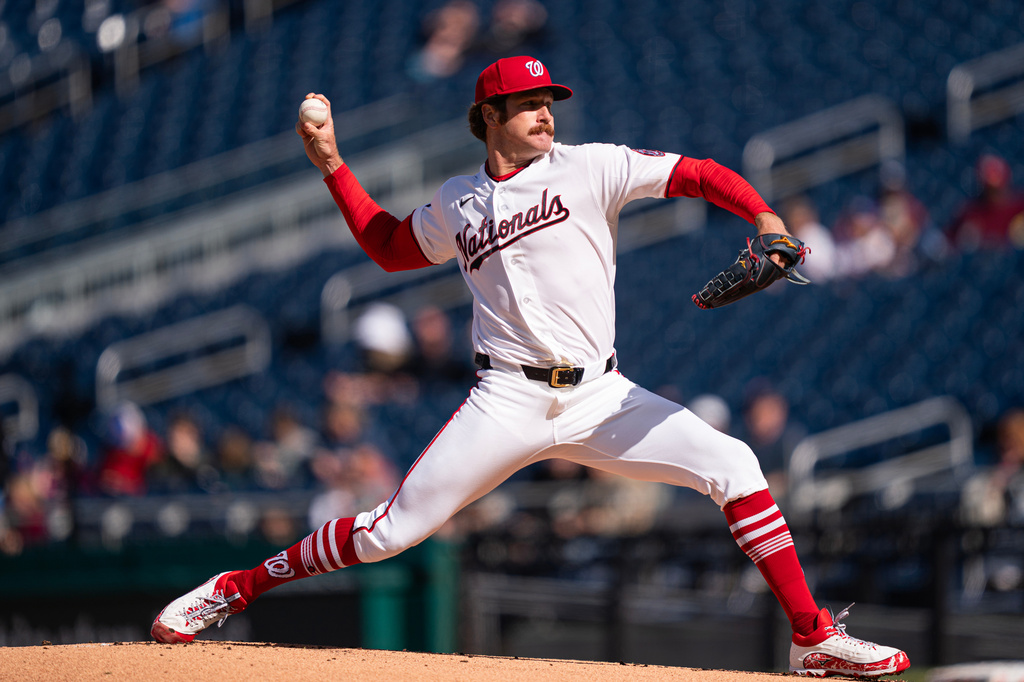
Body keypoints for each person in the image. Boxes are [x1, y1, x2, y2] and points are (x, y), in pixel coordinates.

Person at [150, 56, 909, 677]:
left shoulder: (593, 167)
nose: (546, 112)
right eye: (527, 102)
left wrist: (767, 219)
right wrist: (333, 167)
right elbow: (387, 247)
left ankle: (811, 637)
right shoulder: (459, 201)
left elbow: (700, 174)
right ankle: (232, 589)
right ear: (488, 117)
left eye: (549, 100)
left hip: (602, 396)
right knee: (388, 533)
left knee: (735, 464)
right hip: (506, 399)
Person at [947, 154, 1024, 250]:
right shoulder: (972, 213)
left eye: (998, 189)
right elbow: (950, 242)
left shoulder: (1020, 207)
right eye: (991, 190)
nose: (995, 194)